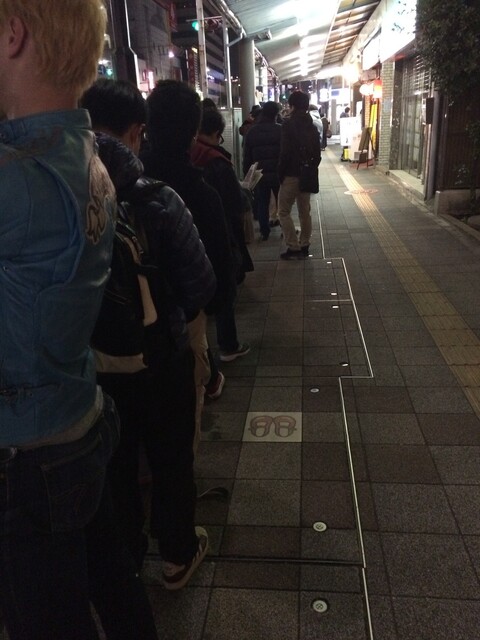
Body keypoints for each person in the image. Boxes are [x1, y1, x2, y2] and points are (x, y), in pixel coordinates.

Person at [0, 3, 158, 639]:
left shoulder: (18, 177)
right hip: (77, 418)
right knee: (114, 591)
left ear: (14, 34)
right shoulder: (82, 150)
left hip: (28, 455)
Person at [80, 78, 216, 587]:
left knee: (115, 465)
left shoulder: (58, 200)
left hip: (94, 367)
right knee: (171, 458)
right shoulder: (159, 200)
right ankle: (178, 554)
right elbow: (201, 284)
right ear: (137, 131)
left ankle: (127, 558)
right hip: (161, 358)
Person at [141, 80, 251, 364]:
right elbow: (219, 263)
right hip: (184, 314)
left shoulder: (125, 180)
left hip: (130, 321)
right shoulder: (201, 193)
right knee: (191, 373)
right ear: (193, 133)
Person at [277, 90, 321, 260]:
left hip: (290, 174)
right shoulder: (312, 126)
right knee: (304, 211)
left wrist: (280, 173)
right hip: (306, 174)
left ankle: (293, 246)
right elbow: (317, 154)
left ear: (292, 106)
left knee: (283, 211)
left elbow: (285, 152)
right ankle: (304, 244)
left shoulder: (288, 125)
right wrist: (310, 168)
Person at [243, 101, 282, 240]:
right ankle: (285, 228)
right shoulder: (280, 130)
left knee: (262, 202)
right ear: (276, 114)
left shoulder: (252, 131)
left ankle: (264, 231)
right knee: (281, 202)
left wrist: (246, 174)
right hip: (278, 172)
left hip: (260, 173)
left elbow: (247, 155)